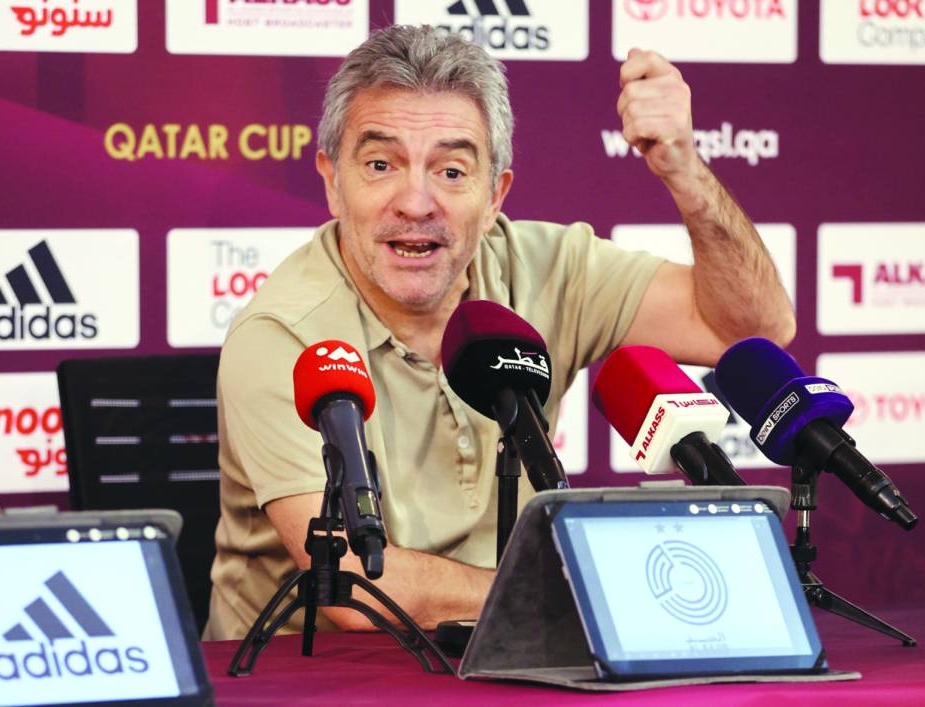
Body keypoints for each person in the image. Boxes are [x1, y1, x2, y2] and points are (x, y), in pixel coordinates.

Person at [203, 24, 794, 640]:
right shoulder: (282, 336)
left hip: (505, 656)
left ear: (495, 196)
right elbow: (353, 587)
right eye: (380, 164)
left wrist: (683, 169)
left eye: (453, 171)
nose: (416, 201)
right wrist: (591, 585)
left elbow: (755, 329)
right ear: (332, 183)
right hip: (309, 681)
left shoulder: (549, 267)